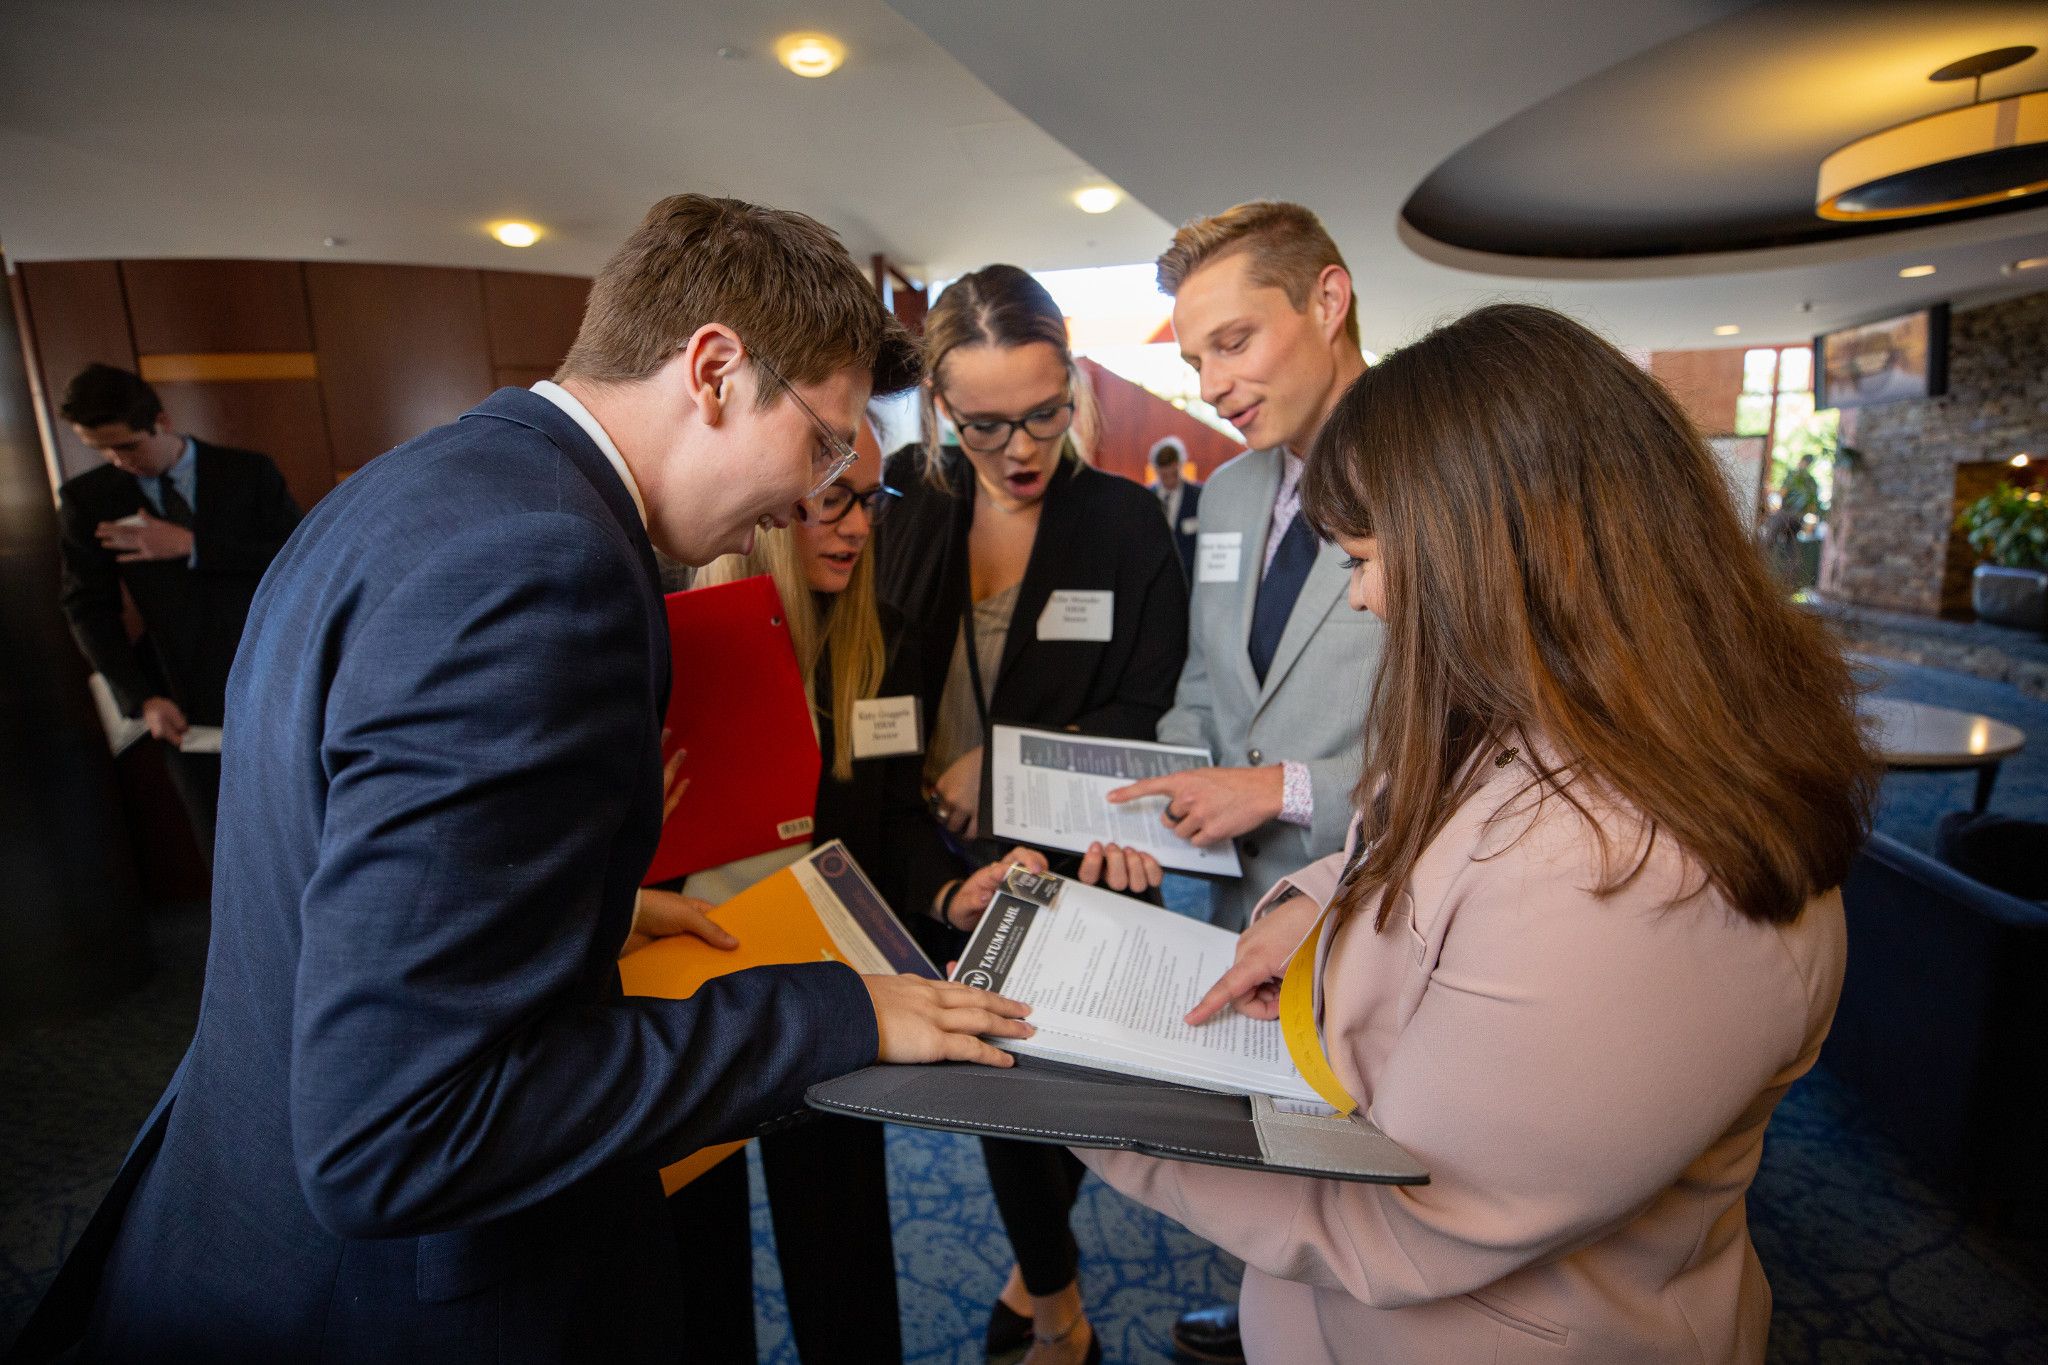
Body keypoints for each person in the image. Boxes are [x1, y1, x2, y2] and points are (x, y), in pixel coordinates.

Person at [20, 195, 1034, 1365]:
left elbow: (349, 876)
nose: (808, 498)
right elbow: (404, 1129)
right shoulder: (543, 569)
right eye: (818, 444)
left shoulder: (423, 488)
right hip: (403, 1305)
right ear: (712, 370)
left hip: (238, 1212)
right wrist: (833, 1013)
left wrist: (579, 910)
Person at [1080, 302, 1879, 1365]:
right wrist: (1307, 917)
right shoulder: (1538, 715)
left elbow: (1411, 1216)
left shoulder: (1627, 874)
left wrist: (1084, 1108)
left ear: (1503, 549)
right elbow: (1382, 836)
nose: (1362, 598)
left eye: (1366, 557)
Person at [667, 421, 1157, 1365]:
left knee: (842, 1235)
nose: (856, 526)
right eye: (831, 501)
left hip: (827, 976)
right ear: (770, 507)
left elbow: (888, 826)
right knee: (698, 1262)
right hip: (691, 982)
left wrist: (947, 892)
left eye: (867, 501)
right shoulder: (678, 638)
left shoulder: (879, 637)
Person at [874, 264, 1186, 1365]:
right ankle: (1052, 1299)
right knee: (993, 1086)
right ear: (940, 411)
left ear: (1075, 387)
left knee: (1048, 1090)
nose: (1020, 448)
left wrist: (999, 776)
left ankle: (1045, 1296)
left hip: (1073, 857)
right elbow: (871, 697)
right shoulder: (907, 499)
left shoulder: (1123, 521)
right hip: (935, 858)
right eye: (985, 424)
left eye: (1045, 413)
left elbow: (1141, 711)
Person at [1108, 201, 1384, 949]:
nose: (1212, 386)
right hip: (1234, 917)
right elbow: (1205, 680)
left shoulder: (1436, 475)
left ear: (1328, 301)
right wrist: (1159, 801)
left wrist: (1282, 788)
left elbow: (1481, 735)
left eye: (1234, 343)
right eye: (1198, 361)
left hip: (1374, 903)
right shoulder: (1227, 494)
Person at [54, 363, 302, 860]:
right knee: (223, 845)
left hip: (275, 674)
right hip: (179, 695)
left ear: (161, 422)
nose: (116, 461)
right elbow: (88, 607)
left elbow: (296, 559)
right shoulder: (89, 499)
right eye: (99, 449)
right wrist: (141, 697)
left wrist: (191, 544)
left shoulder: (248, 472)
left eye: (126, 446)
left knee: (298, 826)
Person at [1150, 435, 1201, 582]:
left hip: (1189, 580)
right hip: (1156, 577)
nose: (1169, 479)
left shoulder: (1199, 496)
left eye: (1173, 473)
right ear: (1157, 470)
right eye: (1164, 475)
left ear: (1180, 465)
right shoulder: (1146, 498)